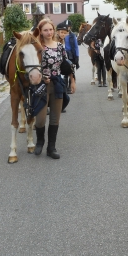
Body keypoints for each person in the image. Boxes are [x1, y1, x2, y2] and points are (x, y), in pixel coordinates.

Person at [34, 19, 76, 159]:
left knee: (55, 118)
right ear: (40, 31)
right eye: (45, 30)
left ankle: (51, 148)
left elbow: (66, 63)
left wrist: (72, 80)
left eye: (51, 29)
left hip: (57, 84)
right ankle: (40, 141)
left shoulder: (59, 46)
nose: (49, 32)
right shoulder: (37, 47)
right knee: (40, 119)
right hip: (41, 85)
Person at [56, 20, 79, 94]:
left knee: (70, 69)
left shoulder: (72, 35)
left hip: (70, 54)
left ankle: (70, 86)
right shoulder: (59, 38)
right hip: (63, 54)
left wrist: (77, 56)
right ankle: (64, 87)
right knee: (64, 72)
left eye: (68, 27)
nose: (64, 33)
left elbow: (76, 47)